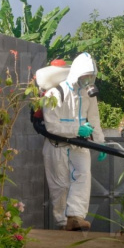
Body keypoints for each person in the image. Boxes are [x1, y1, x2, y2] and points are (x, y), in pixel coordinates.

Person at [42, 53, 104, 231]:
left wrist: (100, 143)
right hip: (57, 146)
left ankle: (76, 216)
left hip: (80, 144)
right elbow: (51, 125)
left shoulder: (89, 95)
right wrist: (76, 130)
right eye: (86, 76)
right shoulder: (56, 93)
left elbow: (94, 119)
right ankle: (63, 223)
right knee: (60, 186)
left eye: (91, 77)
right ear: (77, 73)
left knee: (83, 177)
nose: (88, 80)